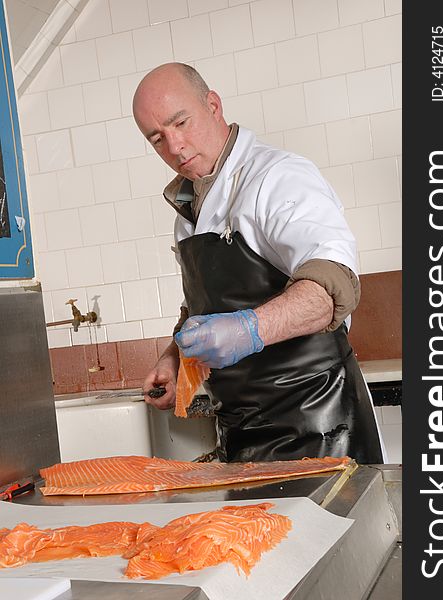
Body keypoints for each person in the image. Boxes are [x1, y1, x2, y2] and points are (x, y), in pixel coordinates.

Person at [132, 62, 384, 464]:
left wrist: (251, 328)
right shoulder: (187, 209)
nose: (174, 147)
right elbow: (204, 306)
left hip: (320, 425)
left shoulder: (278, 176)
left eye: (181, 123)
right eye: (157, 138)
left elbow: (331, 286)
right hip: (241, 432)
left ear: (213, 105)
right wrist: (176, 355)